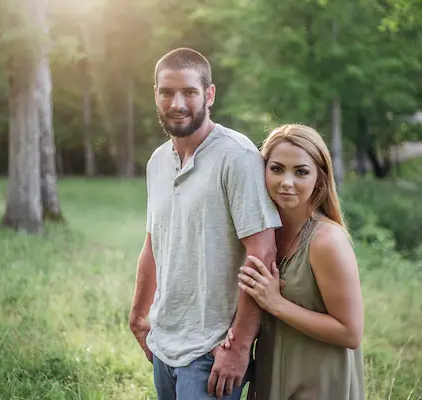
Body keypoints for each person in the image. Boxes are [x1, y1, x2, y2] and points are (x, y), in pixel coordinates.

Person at [128, 47, 282, 400]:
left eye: (189, 92)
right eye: (166, 92)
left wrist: (240, 346)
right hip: (164, 344)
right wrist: (138, 317)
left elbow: (262, 252)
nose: (177, 103)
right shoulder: (157, 162)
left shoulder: (237, 157)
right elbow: (154, 242)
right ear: (155, 94)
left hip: (211, 352)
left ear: (209, 95)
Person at [223, 124, 365, 399]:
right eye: (276, 169)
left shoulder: (326, 242)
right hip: (272, 378)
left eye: (300, 172)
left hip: (318, 384)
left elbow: (351, 333)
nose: (286, 181)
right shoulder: (262, 238)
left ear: (320, 180)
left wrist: (276, 303)